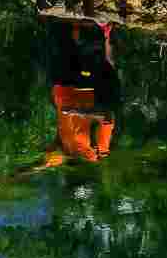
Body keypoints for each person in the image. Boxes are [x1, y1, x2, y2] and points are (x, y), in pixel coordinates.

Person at [45, 17, 119, 165]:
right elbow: (107, 117)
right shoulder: (98, 150)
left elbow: (63, 132)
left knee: (63, 51)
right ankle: (104, 30)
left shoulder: (69, 152)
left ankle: (72, 24)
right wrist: (76, 111)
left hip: (61, 91)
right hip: (82, 90)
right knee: (90, 57)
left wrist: (55, 142)